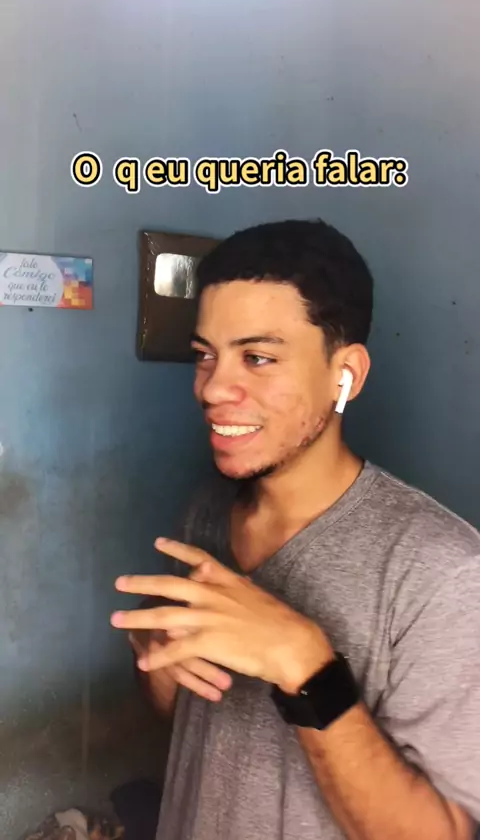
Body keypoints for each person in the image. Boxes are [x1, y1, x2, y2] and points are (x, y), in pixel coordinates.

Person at [111, 219, 480, 839]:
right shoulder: (206, 515)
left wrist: (306, 667)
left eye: (257, 357)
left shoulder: (445, 574)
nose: (213, 387)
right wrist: (159, 663)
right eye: (205, 355)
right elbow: (196, 732)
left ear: (346, 375)